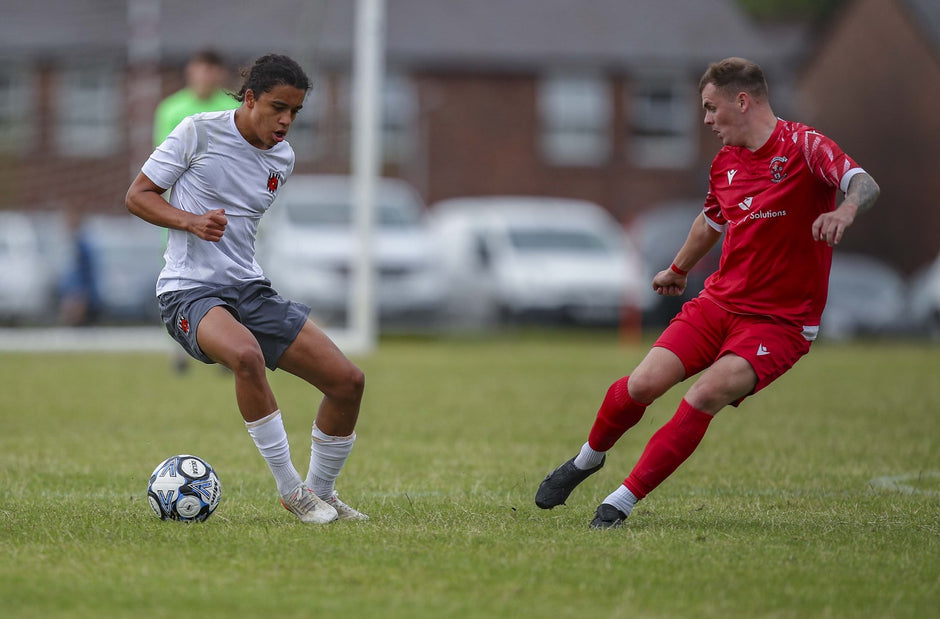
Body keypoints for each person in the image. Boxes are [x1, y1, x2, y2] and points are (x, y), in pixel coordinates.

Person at [535, 57, 880, 529]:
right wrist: (678, 269)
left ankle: (619, 503)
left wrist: (845, 211)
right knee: (641, 385)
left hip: (779, 323)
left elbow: (864, 182)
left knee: (705, 393)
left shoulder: (805, 146)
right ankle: (586, 460)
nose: (706, 120)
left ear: (743, 101)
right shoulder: (725, 163)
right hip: (718, 303)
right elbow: (710, 222)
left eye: (711, 107)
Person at [126, 54, 367, 524]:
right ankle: (291, 491)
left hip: (249, 289)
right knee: (246, 355)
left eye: (295, 112)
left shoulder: (283, 158)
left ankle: (322, 490)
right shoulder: (198, 130)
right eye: (278, 107)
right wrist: (190, 221)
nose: (286, 121)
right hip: (188, 291)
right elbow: (137, 195)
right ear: (250, 98)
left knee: (348, 382)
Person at [153, 49, 239, 146]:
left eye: (210, 72)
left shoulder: (235, 107)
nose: (205, 78)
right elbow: (165, 148)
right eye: (203, 72)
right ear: (190, 72)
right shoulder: (171, 108)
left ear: (221, 74)